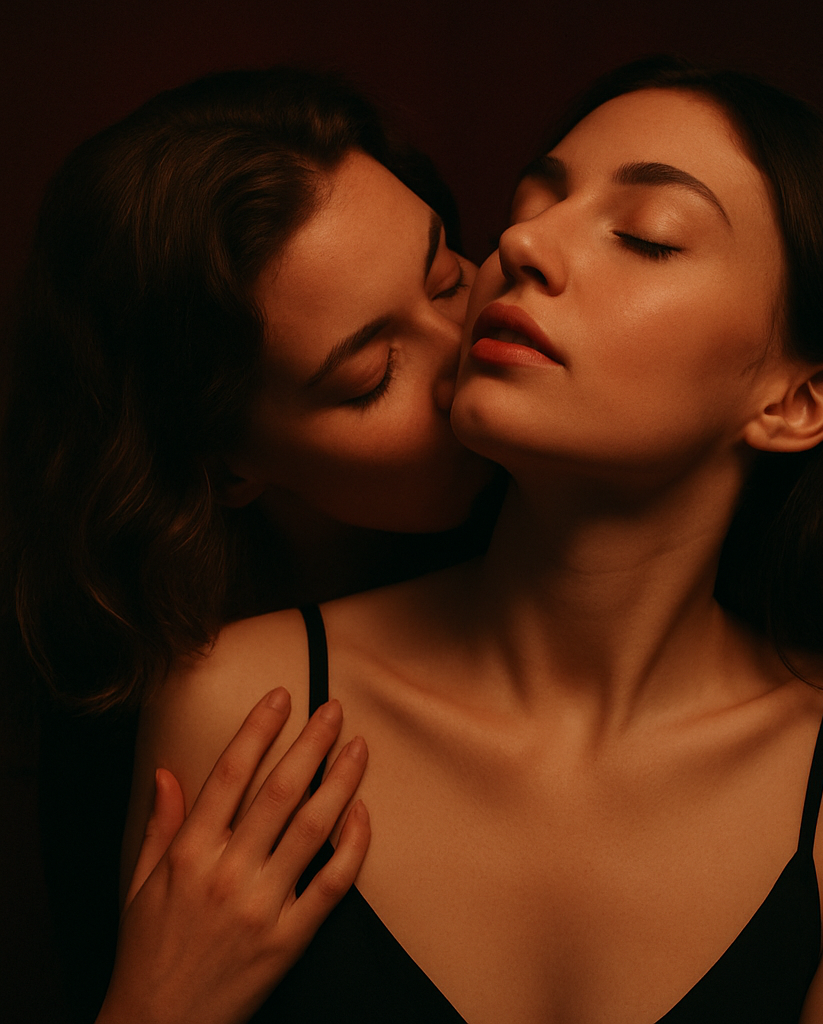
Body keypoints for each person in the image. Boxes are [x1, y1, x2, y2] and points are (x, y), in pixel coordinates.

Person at [124, 56, 823, 1023]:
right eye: (530, 202)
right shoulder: (250, 707)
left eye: (645, 236)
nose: (524, 240)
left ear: (794, 403)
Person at [0, 67, 498, 1022]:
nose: (469, 355)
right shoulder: (143, 725)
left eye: (448, 276)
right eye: (370, 375)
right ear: (229, 468)